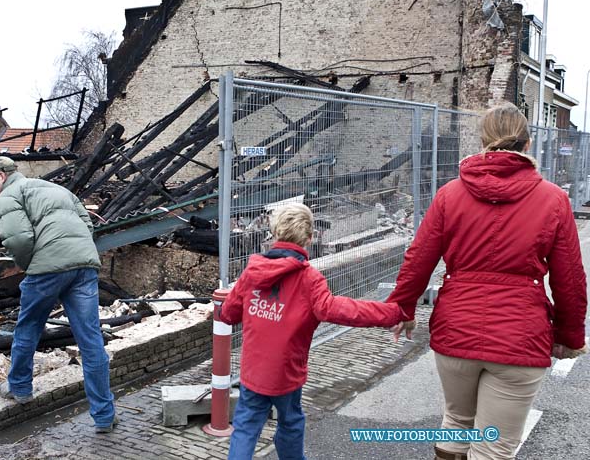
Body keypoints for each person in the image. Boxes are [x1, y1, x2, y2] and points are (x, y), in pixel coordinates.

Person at [385, 104, 588, 460]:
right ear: (527, 146)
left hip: (455, 331)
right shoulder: (553, 199)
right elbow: (569, 278)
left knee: (457, 422)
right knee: (494, 446)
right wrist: (569, 338)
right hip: (520, 339)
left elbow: (419, 258)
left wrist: (400, 309)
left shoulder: (450, 194)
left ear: (483, 143)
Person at [219, 203, 406, 460]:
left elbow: (228, 315)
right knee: (290, 423)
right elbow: (341, 310)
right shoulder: (309, 279)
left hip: (253, 371)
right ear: (309, 238)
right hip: (286, 372)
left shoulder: (252, 272)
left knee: (245, 429)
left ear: (274, 234)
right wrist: (393, 313)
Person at [0, 156, 117, 433]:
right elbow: (87, 225)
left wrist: (31, 266)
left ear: (1, 176)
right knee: (90, 339)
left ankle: (19, 387)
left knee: (28, 327)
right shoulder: (56, 189)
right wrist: (77, 253)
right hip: (84, 266)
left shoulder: (7, 197)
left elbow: (19, 239)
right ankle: (104, 415)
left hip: (47, 270)